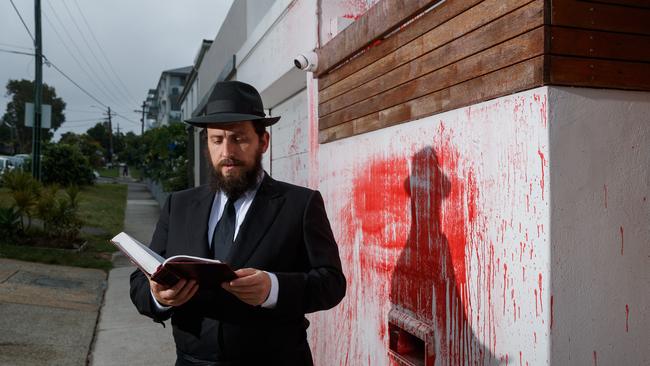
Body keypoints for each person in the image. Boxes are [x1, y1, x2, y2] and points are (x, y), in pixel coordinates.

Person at [130, 81, 346, 365]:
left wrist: (273, 288)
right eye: (216, 140)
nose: (227, 151)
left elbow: (331, 284)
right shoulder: (179, 205)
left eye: (239, 138)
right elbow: (140, 282)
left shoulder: (300, 204)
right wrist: (160, 296)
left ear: (263, 142)